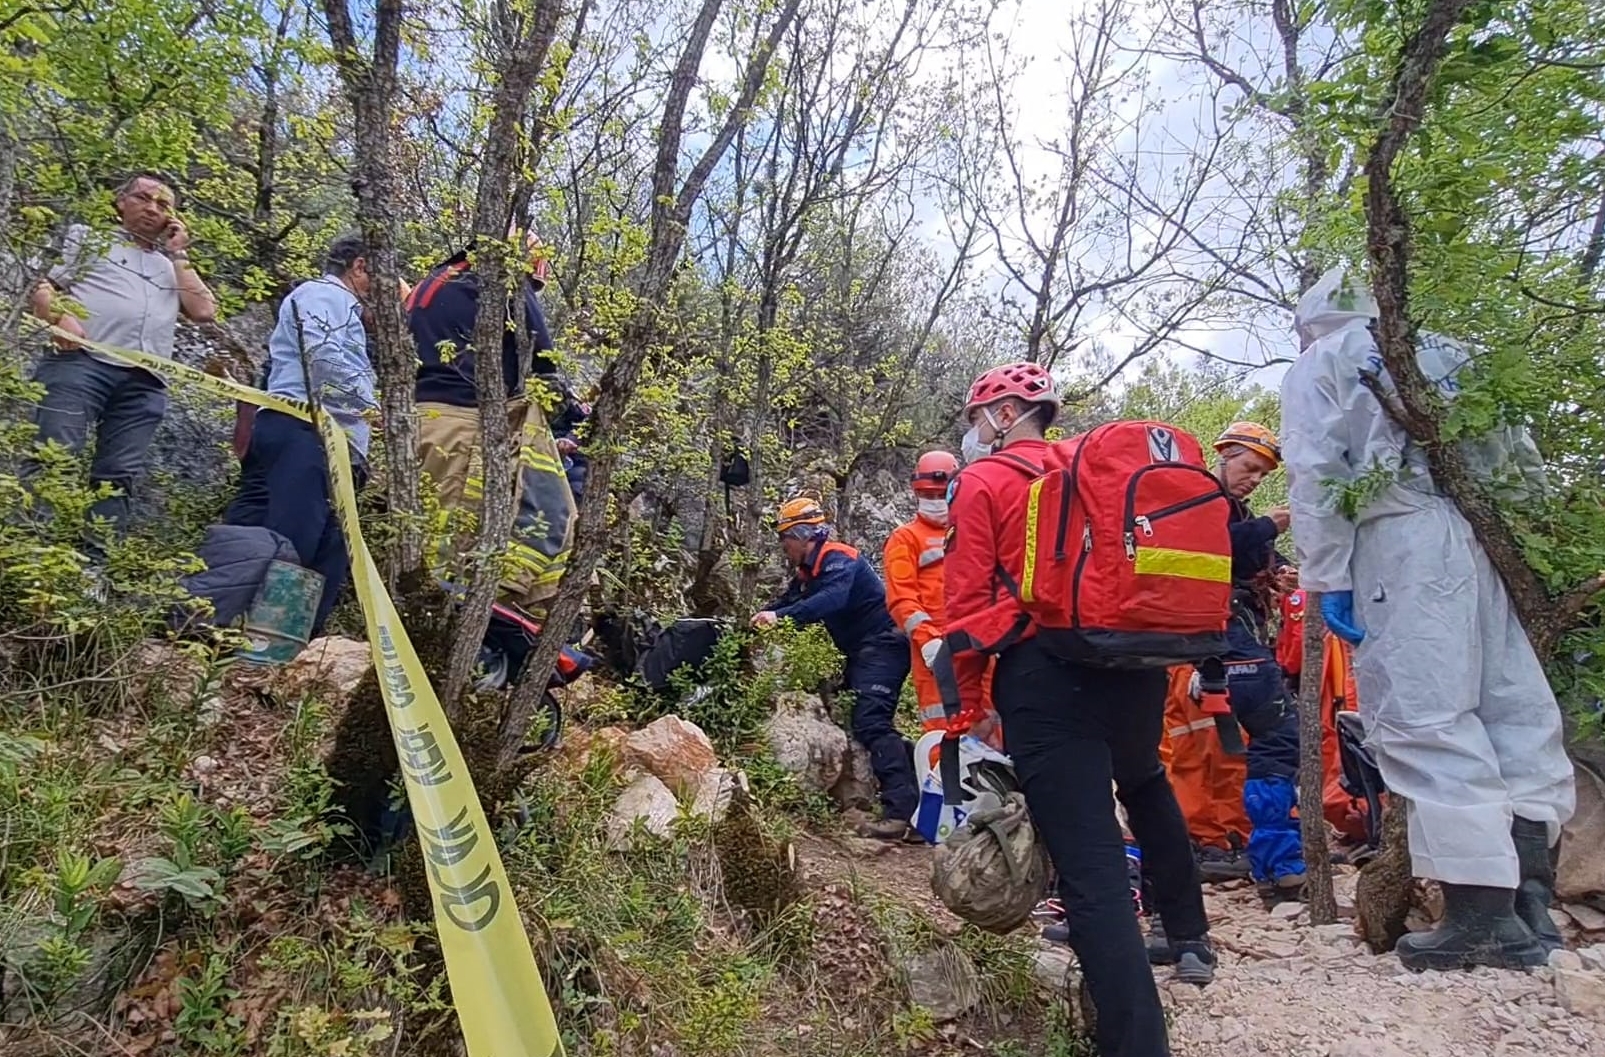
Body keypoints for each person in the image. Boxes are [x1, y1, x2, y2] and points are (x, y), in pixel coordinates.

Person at [1281, 264, 1574, 970]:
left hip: (1401, 542)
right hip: (1479, 538)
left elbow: (1318, 475)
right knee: (1512, 712)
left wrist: (1325, 577)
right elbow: (1517, 462)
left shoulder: (1325, 361)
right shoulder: (1450, 350)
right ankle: (1532, 906)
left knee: (1425, 718)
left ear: (1311, 322)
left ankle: (1480, 917)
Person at [943, 361, 1214, 1056]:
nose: (975, 430)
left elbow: (968, 604)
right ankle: (1189, 933)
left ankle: (1134, 1043)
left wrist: (970, 702)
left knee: (1091, 868)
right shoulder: (1082, 468)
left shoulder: (984, 481)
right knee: (1147, 786)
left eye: (978, 416)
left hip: (1045, 677)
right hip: (1131, 669)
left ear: (1004, 412)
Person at [27, 172, 217, 559]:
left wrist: (180, 253)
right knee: (54, 458)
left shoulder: (170, 266)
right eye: (144, 198)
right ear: (121, 203)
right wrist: (60, 316)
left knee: (117, 476)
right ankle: (32, 555)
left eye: (164, 205)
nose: (152, 208)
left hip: (144, 382)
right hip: (81, 364)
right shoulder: (87, 238)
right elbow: (41, 283)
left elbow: (203, 310)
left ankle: (94, 567)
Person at [407, 229, 574, 618]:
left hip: (416, 420)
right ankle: (452, 623)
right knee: (462, 535)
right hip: (465, 425)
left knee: (426, 524)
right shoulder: (502, 280)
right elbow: (543, 363)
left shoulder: (429, 284)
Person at [221, 233, 376, 635]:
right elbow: (321, 359)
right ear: (360, 267)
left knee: (318, 544)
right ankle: (260, 644)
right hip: (306, 430)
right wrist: (372, 406)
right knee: (295, 541)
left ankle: (261, 635)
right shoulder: (326, 296)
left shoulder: (343, 308)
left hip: (315, 434)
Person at [752, 498, 918, 841]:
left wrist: (779, 619)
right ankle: (917, 790)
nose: (784, 548)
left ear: (801, 536)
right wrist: (761, 619)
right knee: (859, 717)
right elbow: (790, 602)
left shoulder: (839, 558)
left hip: (884, 644)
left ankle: (900, 813)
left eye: (785, 539)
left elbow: (831, 600)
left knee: (872, 720)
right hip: (863, 651)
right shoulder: (808, 572)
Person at [1211, 422, 1307, 901]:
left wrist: (1279, 571)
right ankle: (1281, 866)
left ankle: (1273, 860)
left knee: (1270, 741)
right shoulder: (1202, 499)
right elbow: (1214, 548)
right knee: (1278, 739)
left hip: (1236, 639)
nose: (1253, 478)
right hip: (1228, 641)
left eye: (1261, 473)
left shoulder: (1234, 509)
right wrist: (1269, 524)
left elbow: (1246, 555)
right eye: (1248, 467)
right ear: (1224, 454)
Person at [882, 451, 1001, 747]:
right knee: (945, 735)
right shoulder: (906, 539)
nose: (933, 500)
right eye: (926, 494)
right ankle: (948, 791)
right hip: (936, 655)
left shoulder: (974, 533)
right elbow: (902, 598)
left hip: (982, 649)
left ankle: (1003, 792)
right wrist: (928, 641)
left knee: (995, 728)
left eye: (939, 493)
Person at [1158, 664, 1251, 881]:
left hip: (1173, 661)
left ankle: (1213, 840)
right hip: (1195, 660)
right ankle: (1233, 840)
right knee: (1217, 757)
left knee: (1190, 758)